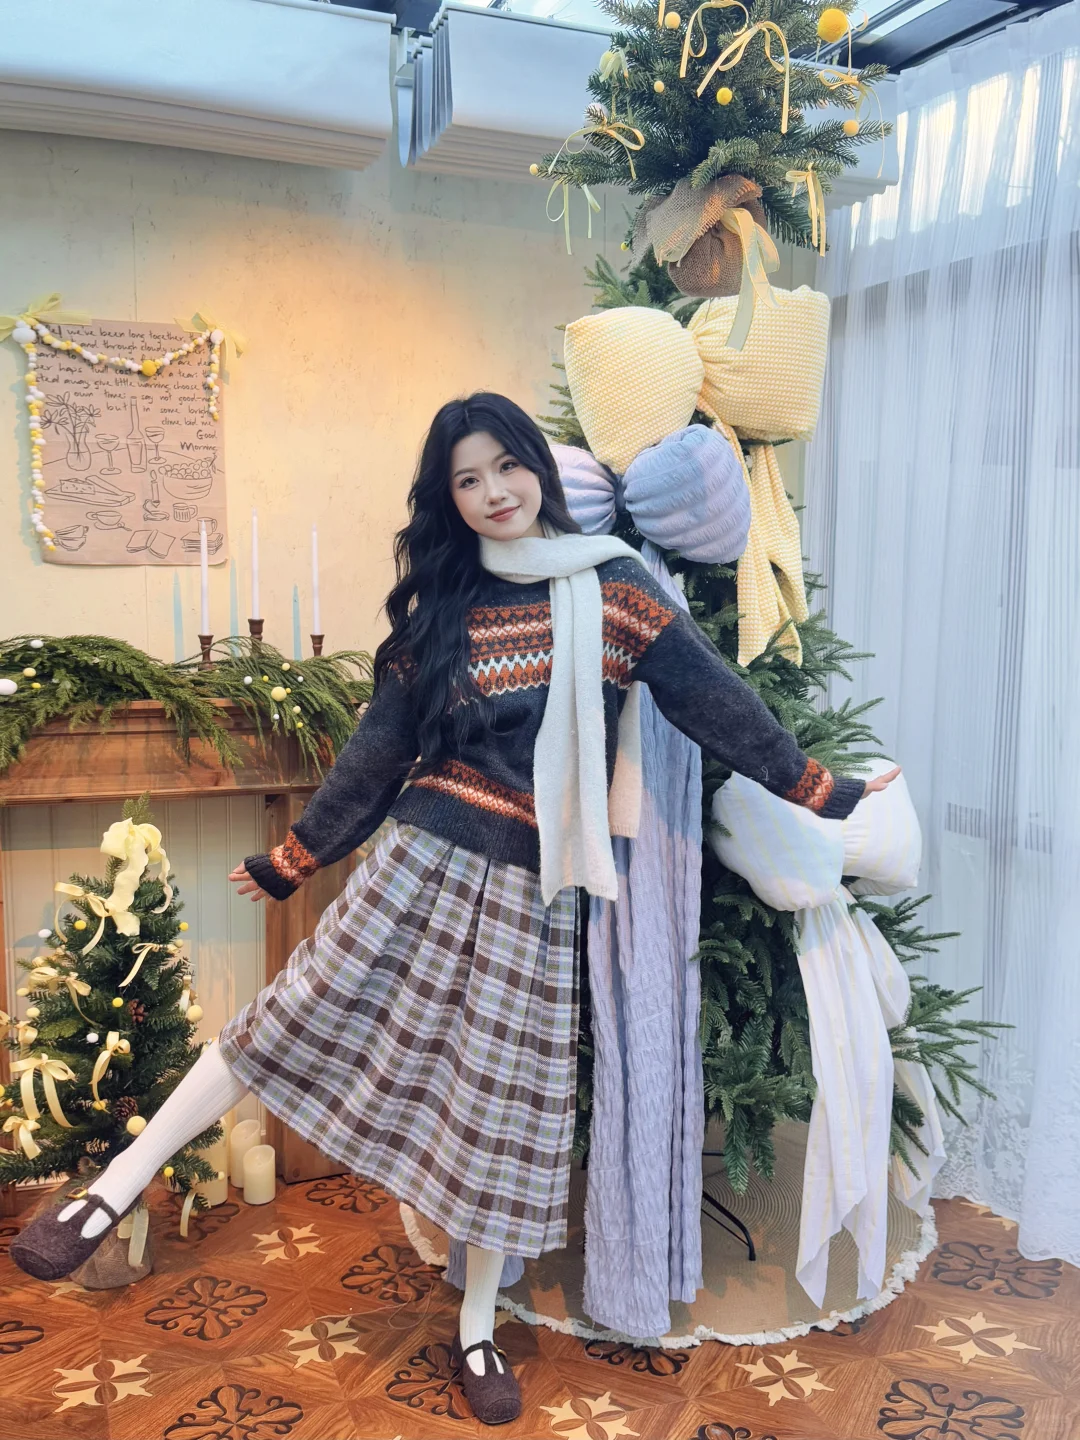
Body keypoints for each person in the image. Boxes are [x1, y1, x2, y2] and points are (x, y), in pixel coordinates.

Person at [12, 393, 899, 1425]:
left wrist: (816, 788)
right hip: (421, 860)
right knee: (286, 1020)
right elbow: (381, 749)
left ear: (537, 468)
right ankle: (113, 1186)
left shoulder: (614, 590)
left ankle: (476, 1328)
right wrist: (299, 856)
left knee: (499, 1111)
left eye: (505, 467)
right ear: (449, 498)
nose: (492, 493)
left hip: (533, 889)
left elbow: (711, 698)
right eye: (466, 480)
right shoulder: (447, 604)